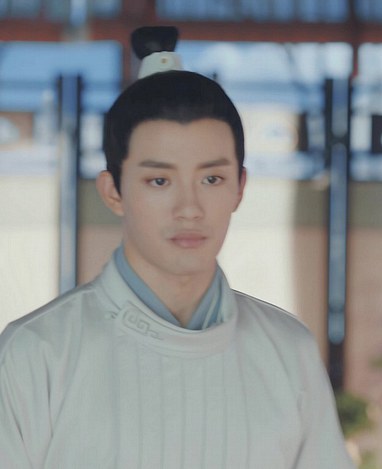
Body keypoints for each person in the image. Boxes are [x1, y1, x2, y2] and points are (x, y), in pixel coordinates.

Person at [0, 46, 355, 468]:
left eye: (212, 178)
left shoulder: (287, 351)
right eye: (159, 180)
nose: (189, 208)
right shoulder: (36, 353)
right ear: (113, 191)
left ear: (240, 188)